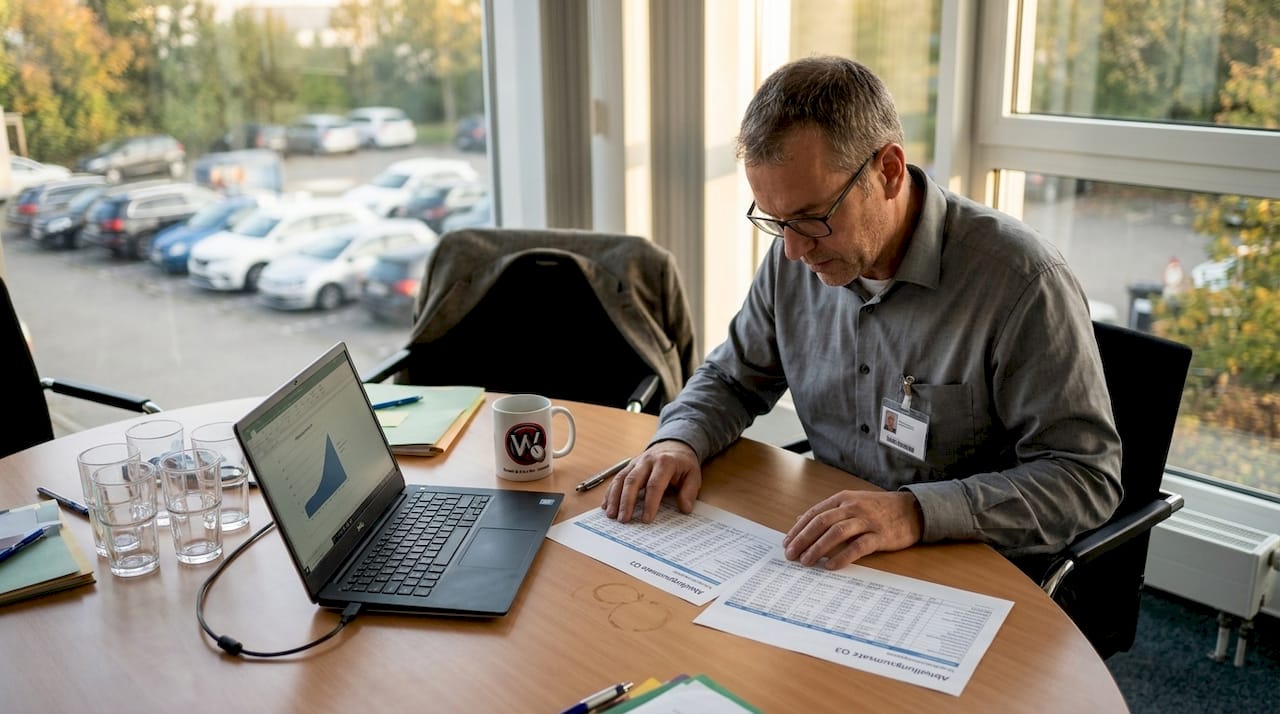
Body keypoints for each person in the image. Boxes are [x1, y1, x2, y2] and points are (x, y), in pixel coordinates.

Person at [602, 55, 1122, 572]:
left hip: (967, 565)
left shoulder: (1020, 281)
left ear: (889, 171)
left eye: (812, 217)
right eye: (776, 221)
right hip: (834, 550)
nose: (793, 251)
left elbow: (1084, 479)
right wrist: (679, 439)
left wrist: (915, 513)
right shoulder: (794, 254)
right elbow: (732, 379)